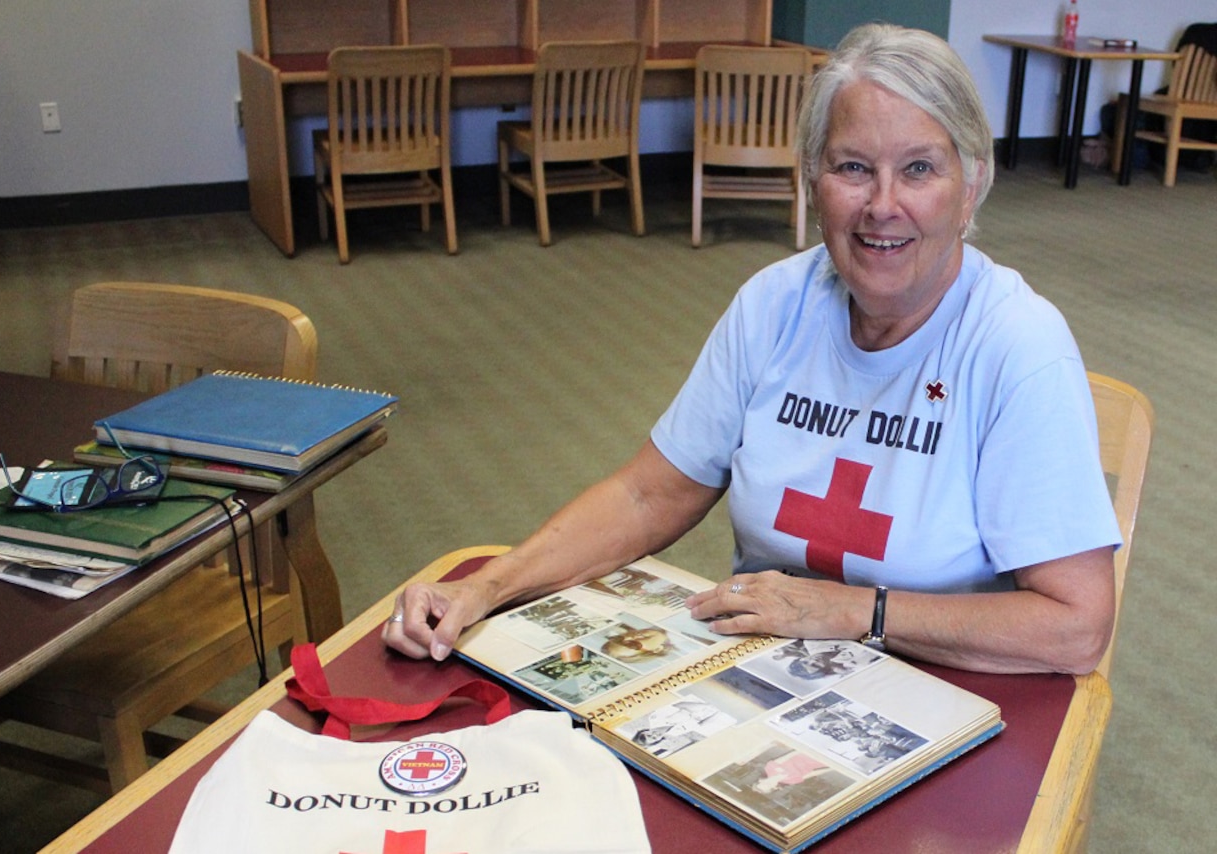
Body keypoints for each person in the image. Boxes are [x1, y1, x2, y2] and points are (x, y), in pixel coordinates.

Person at [384, 24, 1120, 676]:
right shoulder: (775, 303)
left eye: (920, 169)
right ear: (811, 179)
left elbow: (1075, 628)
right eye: (852, 167)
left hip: (946, 690)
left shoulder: (1017, 346)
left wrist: (858, 611)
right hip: (764, 677)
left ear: (971, 189)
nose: (882, 204)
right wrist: (487, 585)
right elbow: (649, 494)